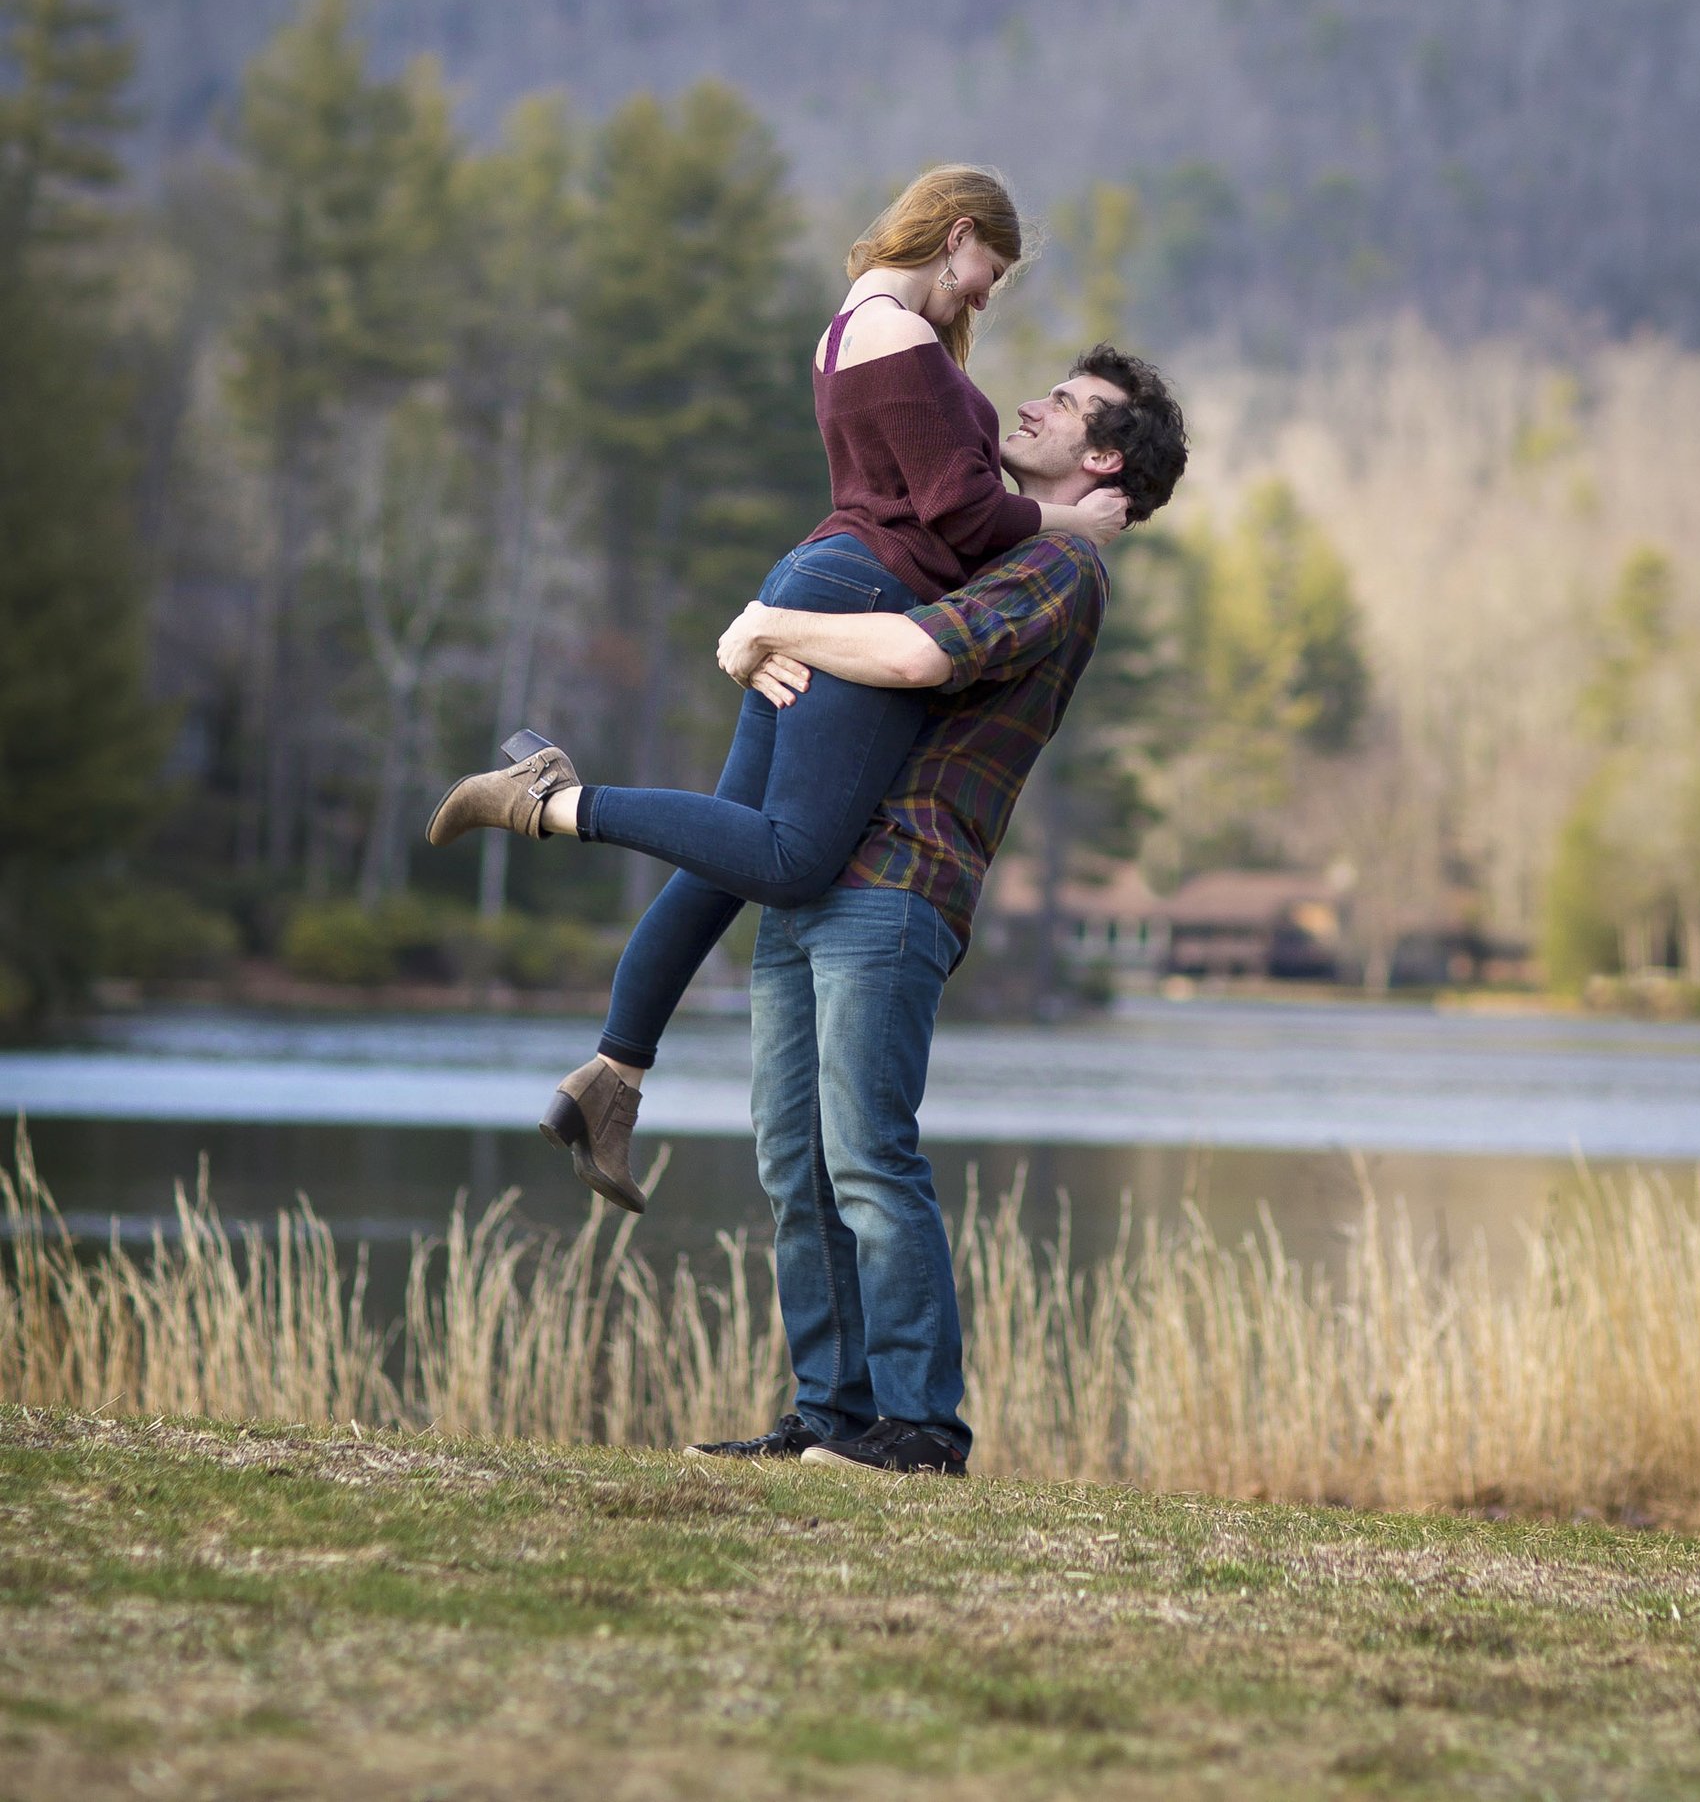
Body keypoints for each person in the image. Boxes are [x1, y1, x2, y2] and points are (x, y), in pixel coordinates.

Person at [426, 165, 1126, 1209]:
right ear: (957, 235)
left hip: (823, 577)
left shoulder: (854, 327)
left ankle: (613, 1077)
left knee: (725, 854)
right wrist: (1079, 520)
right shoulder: (902, 336)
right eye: (992, 268)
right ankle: (551, 800)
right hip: (861, 593)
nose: (985, 292)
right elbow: (964, 515)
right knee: (793, 857)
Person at [691, 341, 1189, 1476]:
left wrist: (769, 623)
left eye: (1062, 404)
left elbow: (919, 654)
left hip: (899, 884)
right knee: (793, 1158)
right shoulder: (999, 541)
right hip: (812, 871)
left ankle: (920, 1428)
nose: (1030, 401)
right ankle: (830, 1412)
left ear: (1102, 456)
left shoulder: (1062, 572)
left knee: (867, 1153)